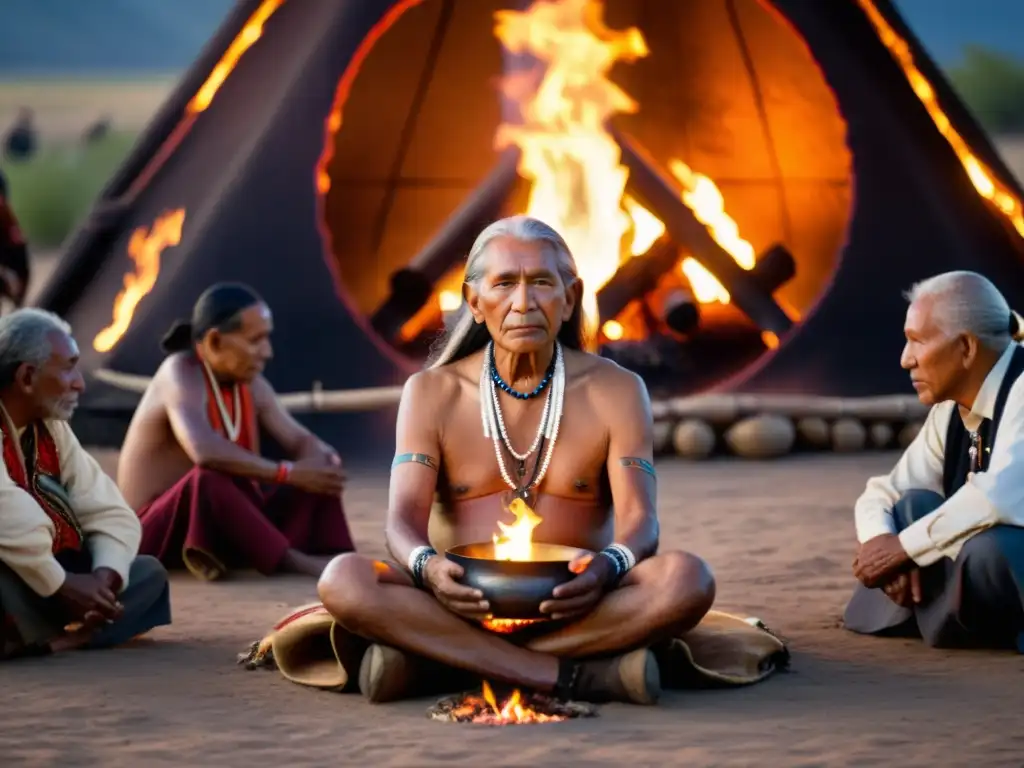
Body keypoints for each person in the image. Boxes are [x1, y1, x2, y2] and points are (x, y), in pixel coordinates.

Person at [317, 216, 716, 705]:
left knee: (686, 580)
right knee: (344, 579)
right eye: (504, 283)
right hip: (456, 600)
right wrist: (428, 570)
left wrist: (608, 569)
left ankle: (439, 662)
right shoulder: (432, 393)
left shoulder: (617, 390)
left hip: (580, 601)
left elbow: (642, 522)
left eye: (542, 283)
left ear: (570, 298)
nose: (523, 303)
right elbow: (401, 521)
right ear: (474, 302)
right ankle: (575, 676)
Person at [118, 283, 354, 581]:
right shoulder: (179, 372)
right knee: (208, 477)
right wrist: (287, 472)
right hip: (155, 530)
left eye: (267, 339)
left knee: (318, 471)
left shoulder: (251, 384)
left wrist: (322, 459)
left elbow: (298, 438)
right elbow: (202, 450)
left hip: (224, 520)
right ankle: (290, 560)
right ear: (215, 341)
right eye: (256, 340)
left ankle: (328, 552)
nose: (267, 352)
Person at [844, 271, 1024, 651]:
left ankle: (943, 619)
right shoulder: (951, 408)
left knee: (987, 552)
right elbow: (885, 490)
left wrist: (904, 550)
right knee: (911, 506)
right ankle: (952, 616)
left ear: (966, 348)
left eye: (916, 341)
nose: (905, 359)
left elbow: (1000, 495)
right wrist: (881, 542)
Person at [0, 309, 170, 659]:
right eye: (68, 367)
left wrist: (102, 582)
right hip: (24, 580)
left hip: (48, 581)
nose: (80, 382)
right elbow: (9, 514)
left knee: (148, 574)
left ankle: (53, 637)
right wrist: (62, 584)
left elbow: (109, 510)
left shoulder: (50, 428)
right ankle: (59, 637)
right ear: (27, 377)